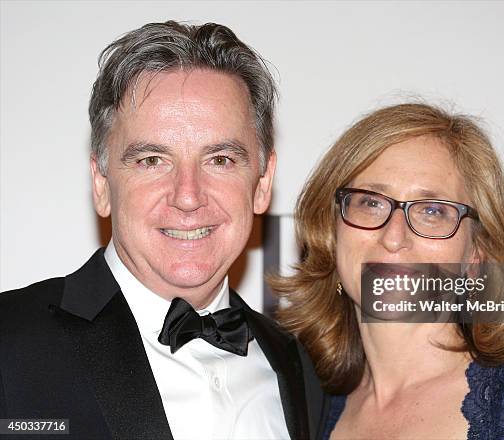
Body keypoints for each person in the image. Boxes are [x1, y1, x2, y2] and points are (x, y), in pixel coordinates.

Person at [0, 21, 327, 440]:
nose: (188, 196)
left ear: (262, 183)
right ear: (102, 184)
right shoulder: (9, 342)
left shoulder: (301, 370)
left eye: (221, 159)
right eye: (152, 160)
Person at [270, 103, 504, 439]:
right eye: (371, 202)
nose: (394, 236)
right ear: (331, 234)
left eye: (432, 211)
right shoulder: (304, 410)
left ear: (476, 254)